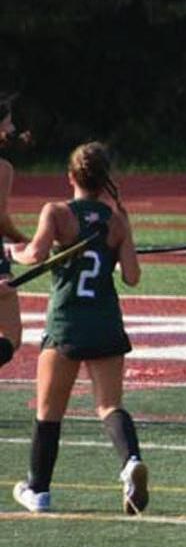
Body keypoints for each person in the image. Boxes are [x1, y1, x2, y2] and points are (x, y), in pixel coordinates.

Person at [11, 142, 146, 514]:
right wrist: (124, 233)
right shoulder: (116, 220)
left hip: (67, 322)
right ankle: (131, 461)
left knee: (49, 410)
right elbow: (132, 276)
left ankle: (38, 490)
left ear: (71, 176)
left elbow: (34, 254)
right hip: (105, 322)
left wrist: (10, 253)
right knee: (109, 405)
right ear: (105, 180)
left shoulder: (56, 212)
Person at [0, 94, 31, 366]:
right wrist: (27, 241)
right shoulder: (3, 169)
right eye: (8, 123)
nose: (12, 129)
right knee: (11, 336)